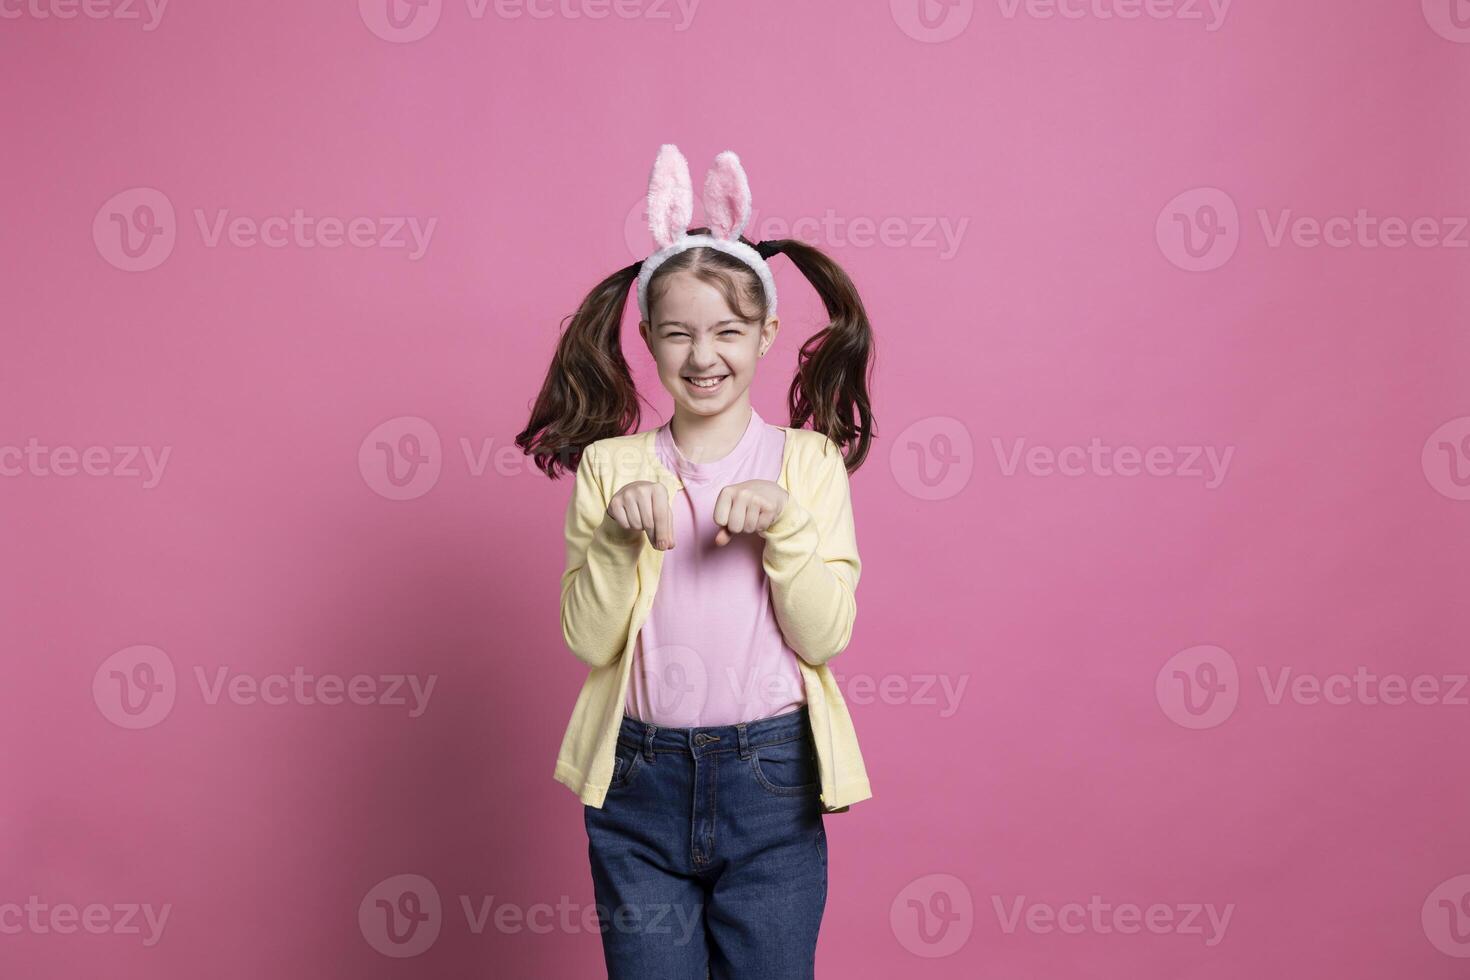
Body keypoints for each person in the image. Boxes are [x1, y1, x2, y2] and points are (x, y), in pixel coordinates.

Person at [516, 144, 877, 979]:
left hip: (772, 780)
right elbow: (588, 642)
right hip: (638, 777)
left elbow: (824, 638)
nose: (702, 354)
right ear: (646, 337)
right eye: (678, 333)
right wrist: (613, 535)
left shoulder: (808, 465)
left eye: (727, 331)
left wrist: (784, 529)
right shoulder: (612, 468)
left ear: (766, 333)